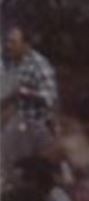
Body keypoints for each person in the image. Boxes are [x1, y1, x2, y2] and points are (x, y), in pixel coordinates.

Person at [0, 22, 57, 174]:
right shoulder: (10, 63)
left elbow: (50, 97)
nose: (8, 46)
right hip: (14, 128)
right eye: (7, 41)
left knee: (34, 173)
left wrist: (23, 92)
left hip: (36, 129)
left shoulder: (39, 65)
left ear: (26, 45)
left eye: (13, 42)